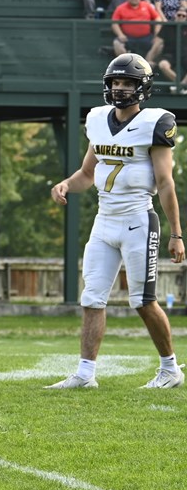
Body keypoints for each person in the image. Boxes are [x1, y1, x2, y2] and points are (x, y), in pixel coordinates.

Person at [48, 55, 185, 390]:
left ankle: (170, 370)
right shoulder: (97, 120)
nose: (120, 89)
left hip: (139, 220)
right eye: (115, 82)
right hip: (104, 220)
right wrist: (66, 184)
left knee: (142, 300)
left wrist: (176, 234)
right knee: (92, 298)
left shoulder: (155, 123)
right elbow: (87, 173)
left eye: (127, 83)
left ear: (142, 88)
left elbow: (166, 183)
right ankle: (84, 374)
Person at [109, 0, 177, 89]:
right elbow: (114, 23)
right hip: (128, 38)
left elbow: (157, 19)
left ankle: (146, 66)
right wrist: (120, 34)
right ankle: (128, 67)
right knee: (116, 43)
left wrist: (156, 34)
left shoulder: (147, 6)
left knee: (159, 43)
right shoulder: (121, 8)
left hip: (146, 37)